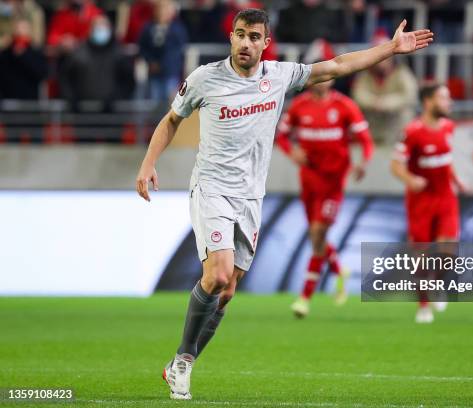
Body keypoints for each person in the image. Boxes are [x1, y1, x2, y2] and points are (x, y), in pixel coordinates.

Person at [136, 8, 433, 400]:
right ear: (231, 37)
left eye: (254, 37)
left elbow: (339, 65)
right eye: (240, 34)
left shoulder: (278, 76)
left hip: (251, 198)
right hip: (212, 189)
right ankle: (185, 363)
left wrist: (390, 49)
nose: (245, 43)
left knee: (227, 293)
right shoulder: (205, 78)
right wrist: (148, 163)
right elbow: (171, 119)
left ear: (265, 42)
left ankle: (180, 362)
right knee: (219, 274)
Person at [276, 72, 374, 318]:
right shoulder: (299, 106)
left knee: (318, 234)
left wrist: (363, 162)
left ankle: (304, 298)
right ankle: (339, 270)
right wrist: (293, 152)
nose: (322, 79)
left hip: (333, 183)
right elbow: (282, 136)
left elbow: (365, 139)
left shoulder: (344, 106)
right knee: (315, 235)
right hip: (309, 181)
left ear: (332, 80)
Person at [391, 83, 463, 324]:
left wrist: (457, 181)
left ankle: (436, 284)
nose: (449, 103)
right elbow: (395, 165)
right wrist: (411, 179)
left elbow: (447, 160)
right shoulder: (413, 132)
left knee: (448, 250)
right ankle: (423, 305)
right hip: (420, 201)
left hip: (445, 198)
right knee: (421, 255)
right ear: (428, 102)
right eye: (444, 98)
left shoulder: (449, 128)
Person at [352, 32, 419, 145]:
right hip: (372, 132)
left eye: (385, 56)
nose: (382, 61)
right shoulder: (365, 75)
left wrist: (385, 103)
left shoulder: (402, 73)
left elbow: (409, 96)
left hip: (397, 133)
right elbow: (358, 95)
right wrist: (374, 102)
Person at [59, 14, 134, 110]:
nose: (101, 30)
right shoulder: (78, 53)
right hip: (82, 114)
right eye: (97, 27)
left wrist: (116, 99)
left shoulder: (119, 54)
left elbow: (128, 82)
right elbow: (65, 78)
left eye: (104, 26)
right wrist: (72, 99)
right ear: (91, 29)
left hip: (111, 116)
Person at [138, 0, 188, 102]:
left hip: (171, 73)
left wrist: (163, 64)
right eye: (160, 9)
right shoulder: (148, 28)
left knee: (170, 104)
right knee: (153, 102)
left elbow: (177, 50)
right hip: (154, 74)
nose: (162, 12)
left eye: (166, 9)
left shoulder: (177, 29)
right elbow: (143, 47)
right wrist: (151, 61)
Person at [0, 18, 47, 99]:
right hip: (8, 100)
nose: (20, 33)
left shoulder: (36, 52)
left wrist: (24, 56)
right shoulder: (6, 54)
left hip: (29, 101)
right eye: (17, 29)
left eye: (23, 29)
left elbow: (41, 73)